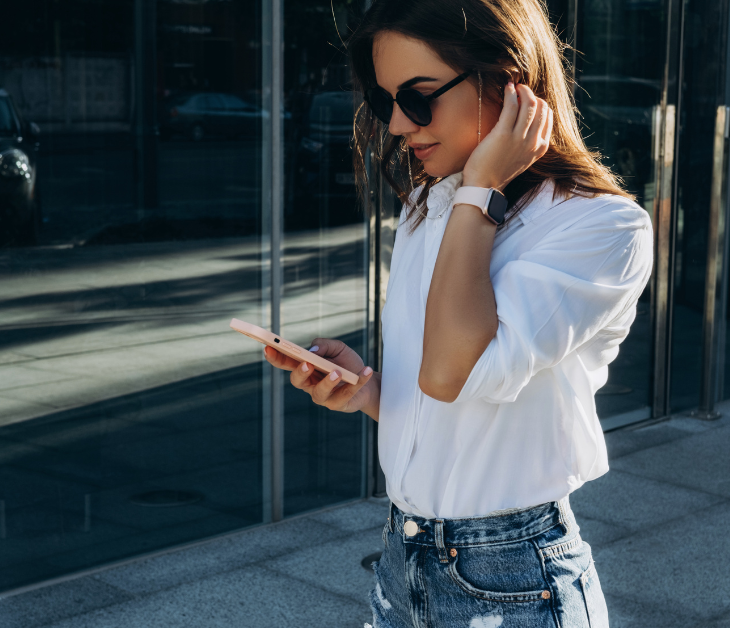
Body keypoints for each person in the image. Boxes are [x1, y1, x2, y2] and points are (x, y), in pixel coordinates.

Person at [264, 0, 654, 625]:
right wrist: (367, 391)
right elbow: (442, 401)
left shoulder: (602, 228)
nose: (398, 123)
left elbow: (452, 374)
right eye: (384, 100)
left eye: (418, 98)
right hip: (400, 561)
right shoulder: (432, 205)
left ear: (508, 82)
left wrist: (481, 191)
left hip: (516, 578)